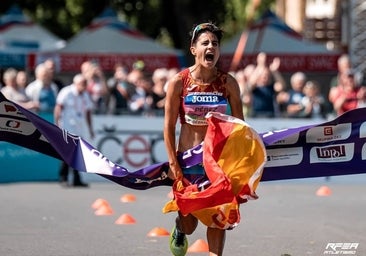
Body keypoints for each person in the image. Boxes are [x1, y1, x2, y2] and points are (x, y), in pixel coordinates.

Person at [163, 22, 244, 256]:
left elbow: (241, 128)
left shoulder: (228, 83)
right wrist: (173, 163)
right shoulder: (179, 82)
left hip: (218, 162)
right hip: (188, 163)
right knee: (190, 224)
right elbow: (168, 128)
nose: (211, 47)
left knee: (217, 218)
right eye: (205, 43)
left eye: (215, 44)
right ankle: (179, 227)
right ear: (193, 50)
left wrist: (242, 163)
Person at [54, 73, 94, 187]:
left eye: (85, 84)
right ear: (75, 83)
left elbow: (88, 112)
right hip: (67, 127)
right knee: (67, 153)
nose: (84, 86)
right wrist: (56, 125)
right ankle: (63, 177)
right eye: (82, 84)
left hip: (79, 128)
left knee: (77, 154)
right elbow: (58, 108)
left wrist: (90, 129)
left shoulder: (85, 95)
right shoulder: (66, 92)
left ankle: (76, 179)